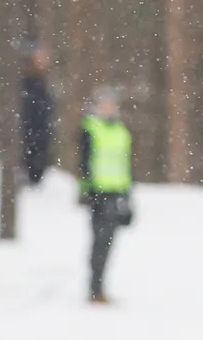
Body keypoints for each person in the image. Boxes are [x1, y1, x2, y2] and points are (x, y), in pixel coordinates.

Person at [79, 85, 133, 304]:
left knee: (109, 241)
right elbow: (84, 162)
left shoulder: (121, 132)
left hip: (117, 192)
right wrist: (85, 191)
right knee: (99, 240)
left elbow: (125, 164)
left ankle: (99, 287)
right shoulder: (90, 128)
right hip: (98, 192)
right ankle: (95, 287)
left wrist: (128, 197)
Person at [20, 44, 54, 186]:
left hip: (40, 137)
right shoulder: (26, 84)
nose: (44, 61)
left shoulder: (43, 83)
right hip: (29, 138)